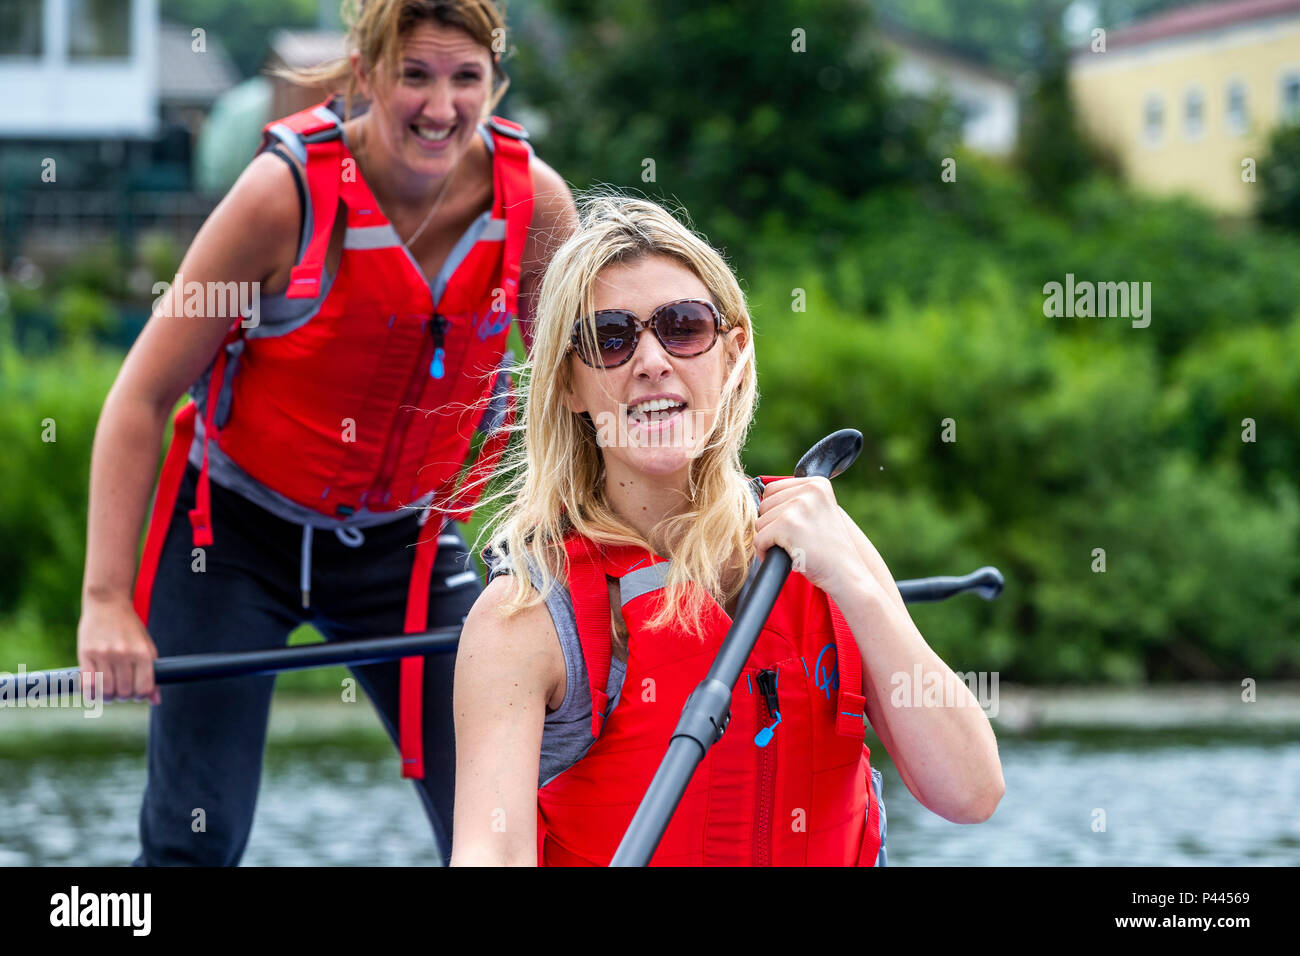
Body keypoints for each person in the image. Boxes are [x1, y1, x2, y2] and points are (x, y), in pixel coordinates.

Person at [76, 0, 577, 866]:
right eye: (415, 75)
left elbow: (583, 396)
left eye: (467, 78)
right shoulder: (283, 199)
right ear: (365, 74)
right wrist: (105, 602)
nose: (441, 105)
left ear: (495, 82)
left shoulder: (532, 205)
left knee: (505, 824)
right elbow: (143, 394)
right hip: (231, 537)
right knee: (197, 838)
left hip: (407, 548)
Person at [448, 195, 1005, 866]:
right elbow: (489, 853)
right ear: (569, 382)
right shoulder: (525, 618)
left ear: (732, 352)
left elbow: (971, 793)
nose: (652, 360)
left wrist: (856, 586)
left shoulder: (825, 537)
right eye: (611, 338)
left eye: (682, 327)